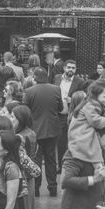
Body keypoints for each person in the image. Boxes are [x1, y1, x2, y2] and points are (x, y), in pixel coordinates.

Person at [23, 68, 63, 197]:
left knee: (36, 160)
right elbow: (60, 108)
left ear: (35, 77)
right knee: (51, 160)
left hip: (35, 131)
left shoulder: (29, 91)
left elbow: (25, 111)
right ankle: (53, 188)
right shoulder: (56, 89)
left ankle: (36, 189)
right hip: (52, 129)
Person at [11, 104, 39, 209]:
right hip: (30, 179)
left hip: (23, 178)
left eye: (14, 117)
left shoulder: (20, 137)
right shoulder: (31, 133)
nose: (11, 120)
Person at [67, 79, 105, 165]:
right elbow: (95, 121)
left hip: (82, 135)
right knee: (99, 145)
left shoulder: (96, 104)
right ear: (96, 95)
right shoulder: (90, 105)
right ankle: (103, 167)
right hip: (82, 136)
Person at [54, 60, 87, 171]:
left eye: (73, 68)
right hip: (58, 114)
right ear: (64, 68)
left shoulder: (80, 82)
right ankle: (60, 165)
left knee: (71, 140)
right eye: (69, 67)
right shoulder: (56, 78)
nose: (71, 70)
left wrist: (71, 99)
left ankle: (71, 165)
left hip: (72, 114)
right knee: (60, 141)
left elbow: (83, 97)